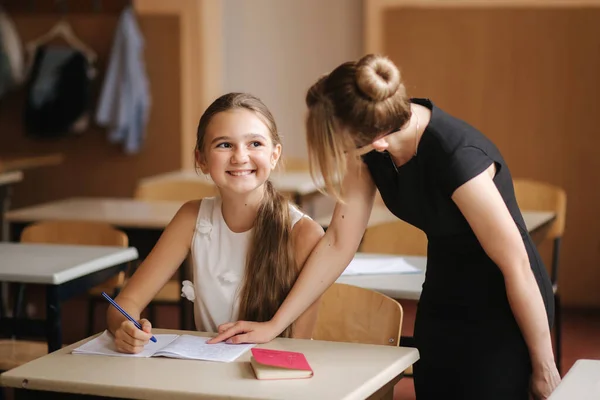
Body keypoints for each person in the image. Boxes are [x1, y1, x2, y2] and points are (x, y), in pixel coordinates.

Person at [209, 55, 561, 399]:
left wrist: (544, 366)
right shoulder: (372, 144)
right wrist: (273, 324)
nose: (339, 150)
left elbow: (517, 266)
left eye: (339, 142)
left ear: (376, 139)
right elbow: (338, 243)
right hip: (444, 291)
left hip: (505, 303)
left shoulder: (456, 159)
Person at [107, 92, 324, 352]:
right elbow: (124, 303)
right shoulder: (190, 217)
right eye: (224, 145)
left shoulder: (303, 233)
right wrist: (126, 327)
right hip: (205, 370)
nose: (240, 157)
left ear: (274, 155)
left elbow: (297, 346)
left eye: (255, 143)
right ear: (202, 159)